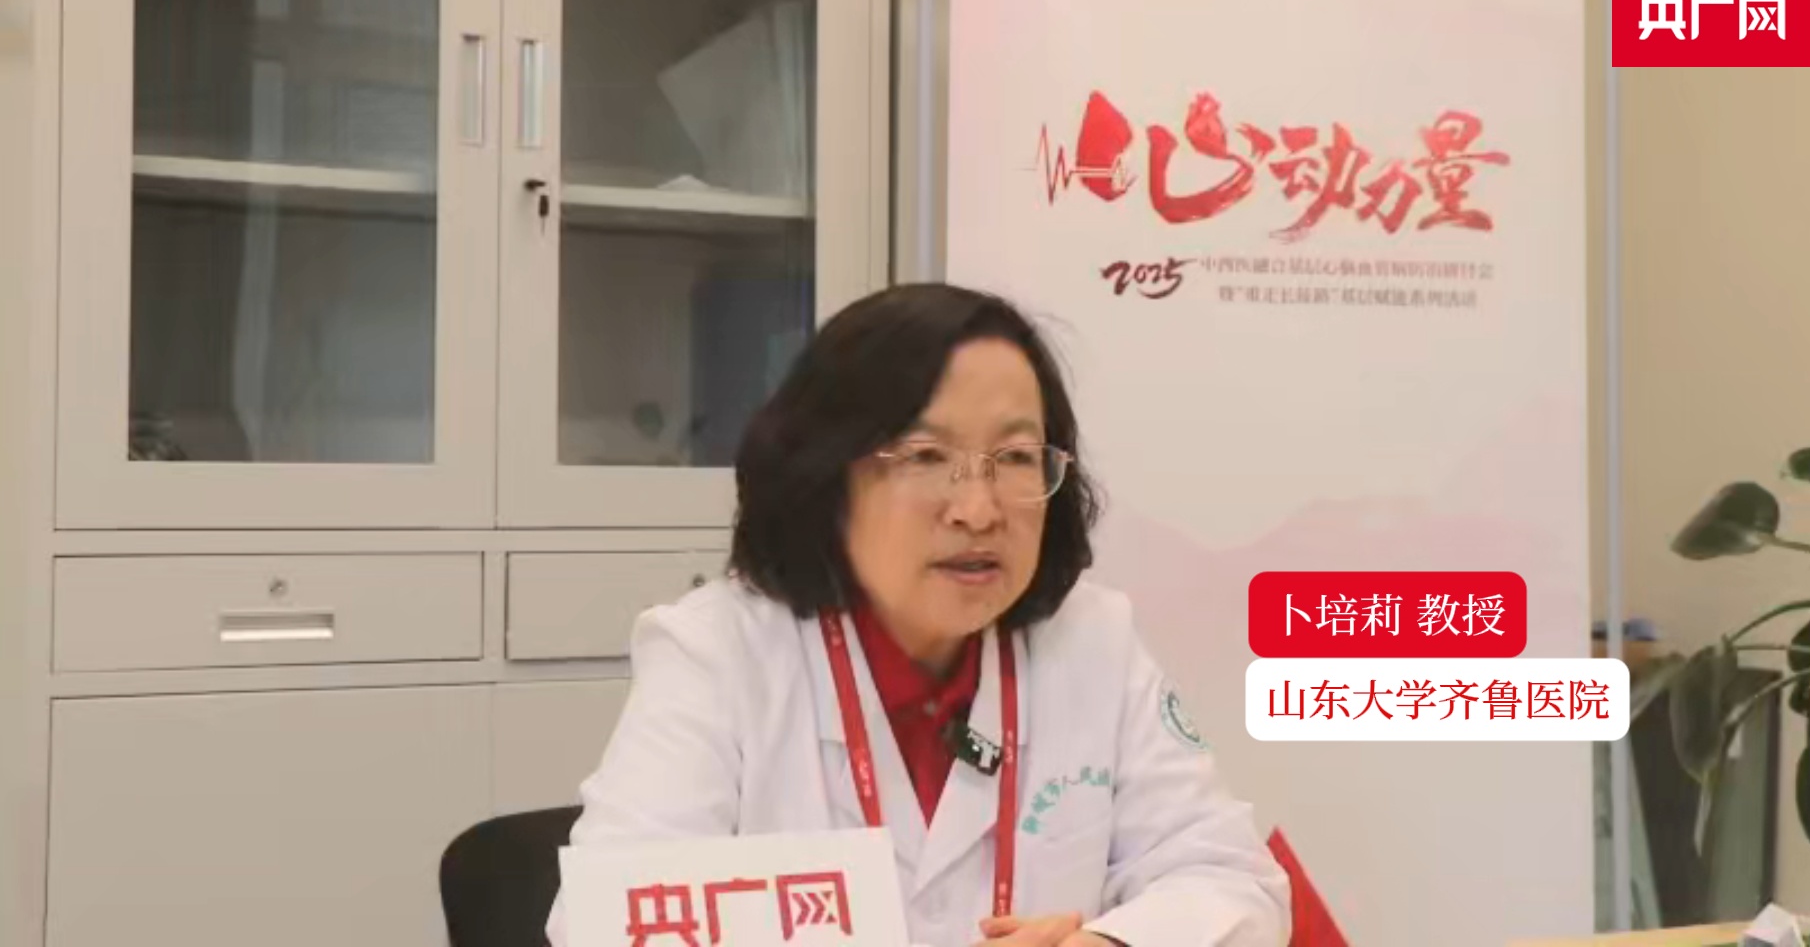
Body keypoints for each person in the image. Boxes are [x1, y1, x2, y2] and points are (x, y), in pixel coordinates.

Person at [549, 283, 1291, 947]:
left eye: (1015, 457)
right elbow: (607, 923)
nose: (978, 509)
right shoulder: (718, 653)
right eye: (924, 456)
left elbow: (1231, 880)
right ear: (828, 476)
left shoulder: (1093, 641)